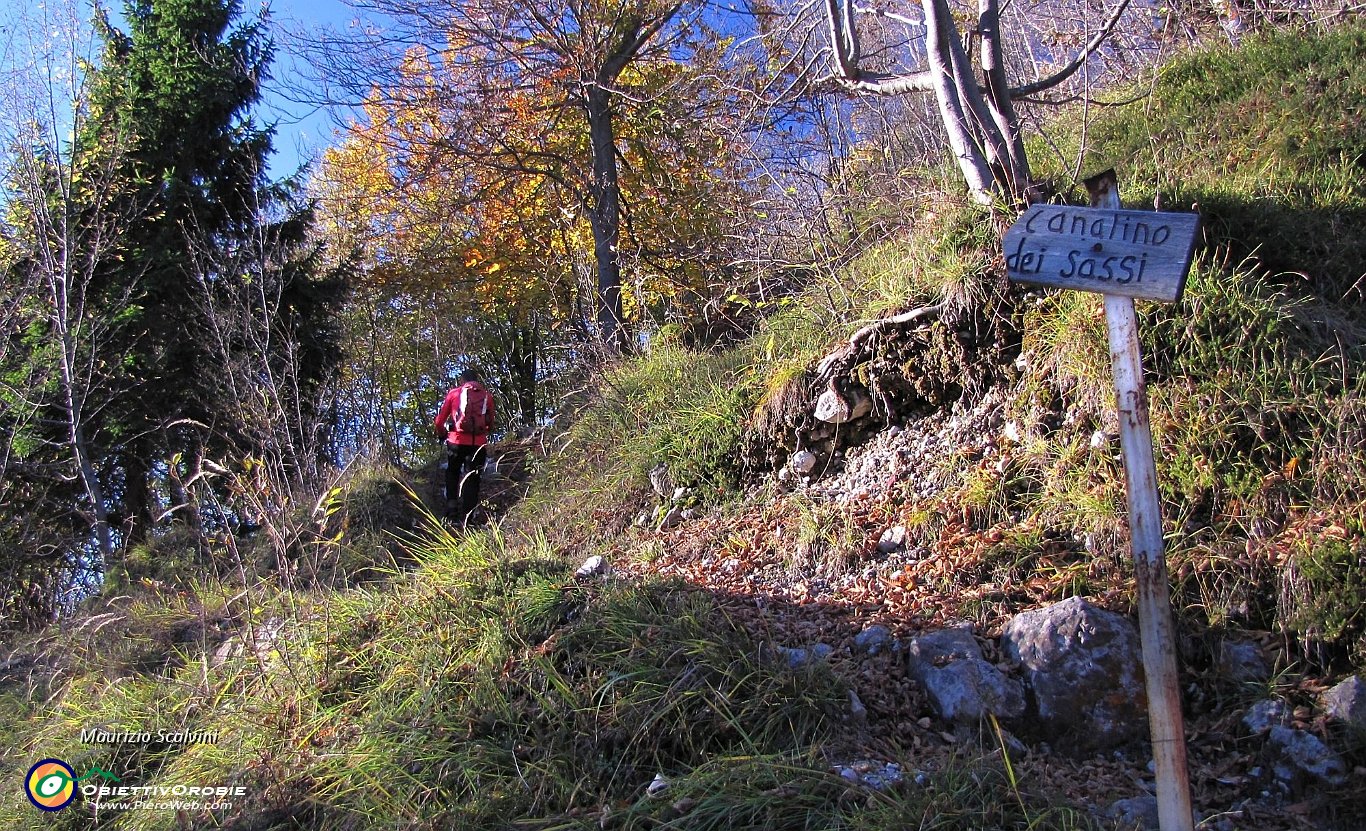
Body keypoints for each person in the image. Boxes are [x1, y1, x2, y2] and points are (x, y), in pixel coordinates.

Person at [434, 369, 495, 526]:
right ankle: (469, 517)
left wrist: (442, 434)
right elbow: (490, 422)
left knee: (453, 472)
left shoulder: (454, 394)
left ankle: (452, 510)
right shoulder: (487, 396)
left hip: (456, 441)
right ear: (477, 380)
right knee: (473, 478)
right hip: (478, 443)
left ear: (463, 380)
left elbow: (440, 421)